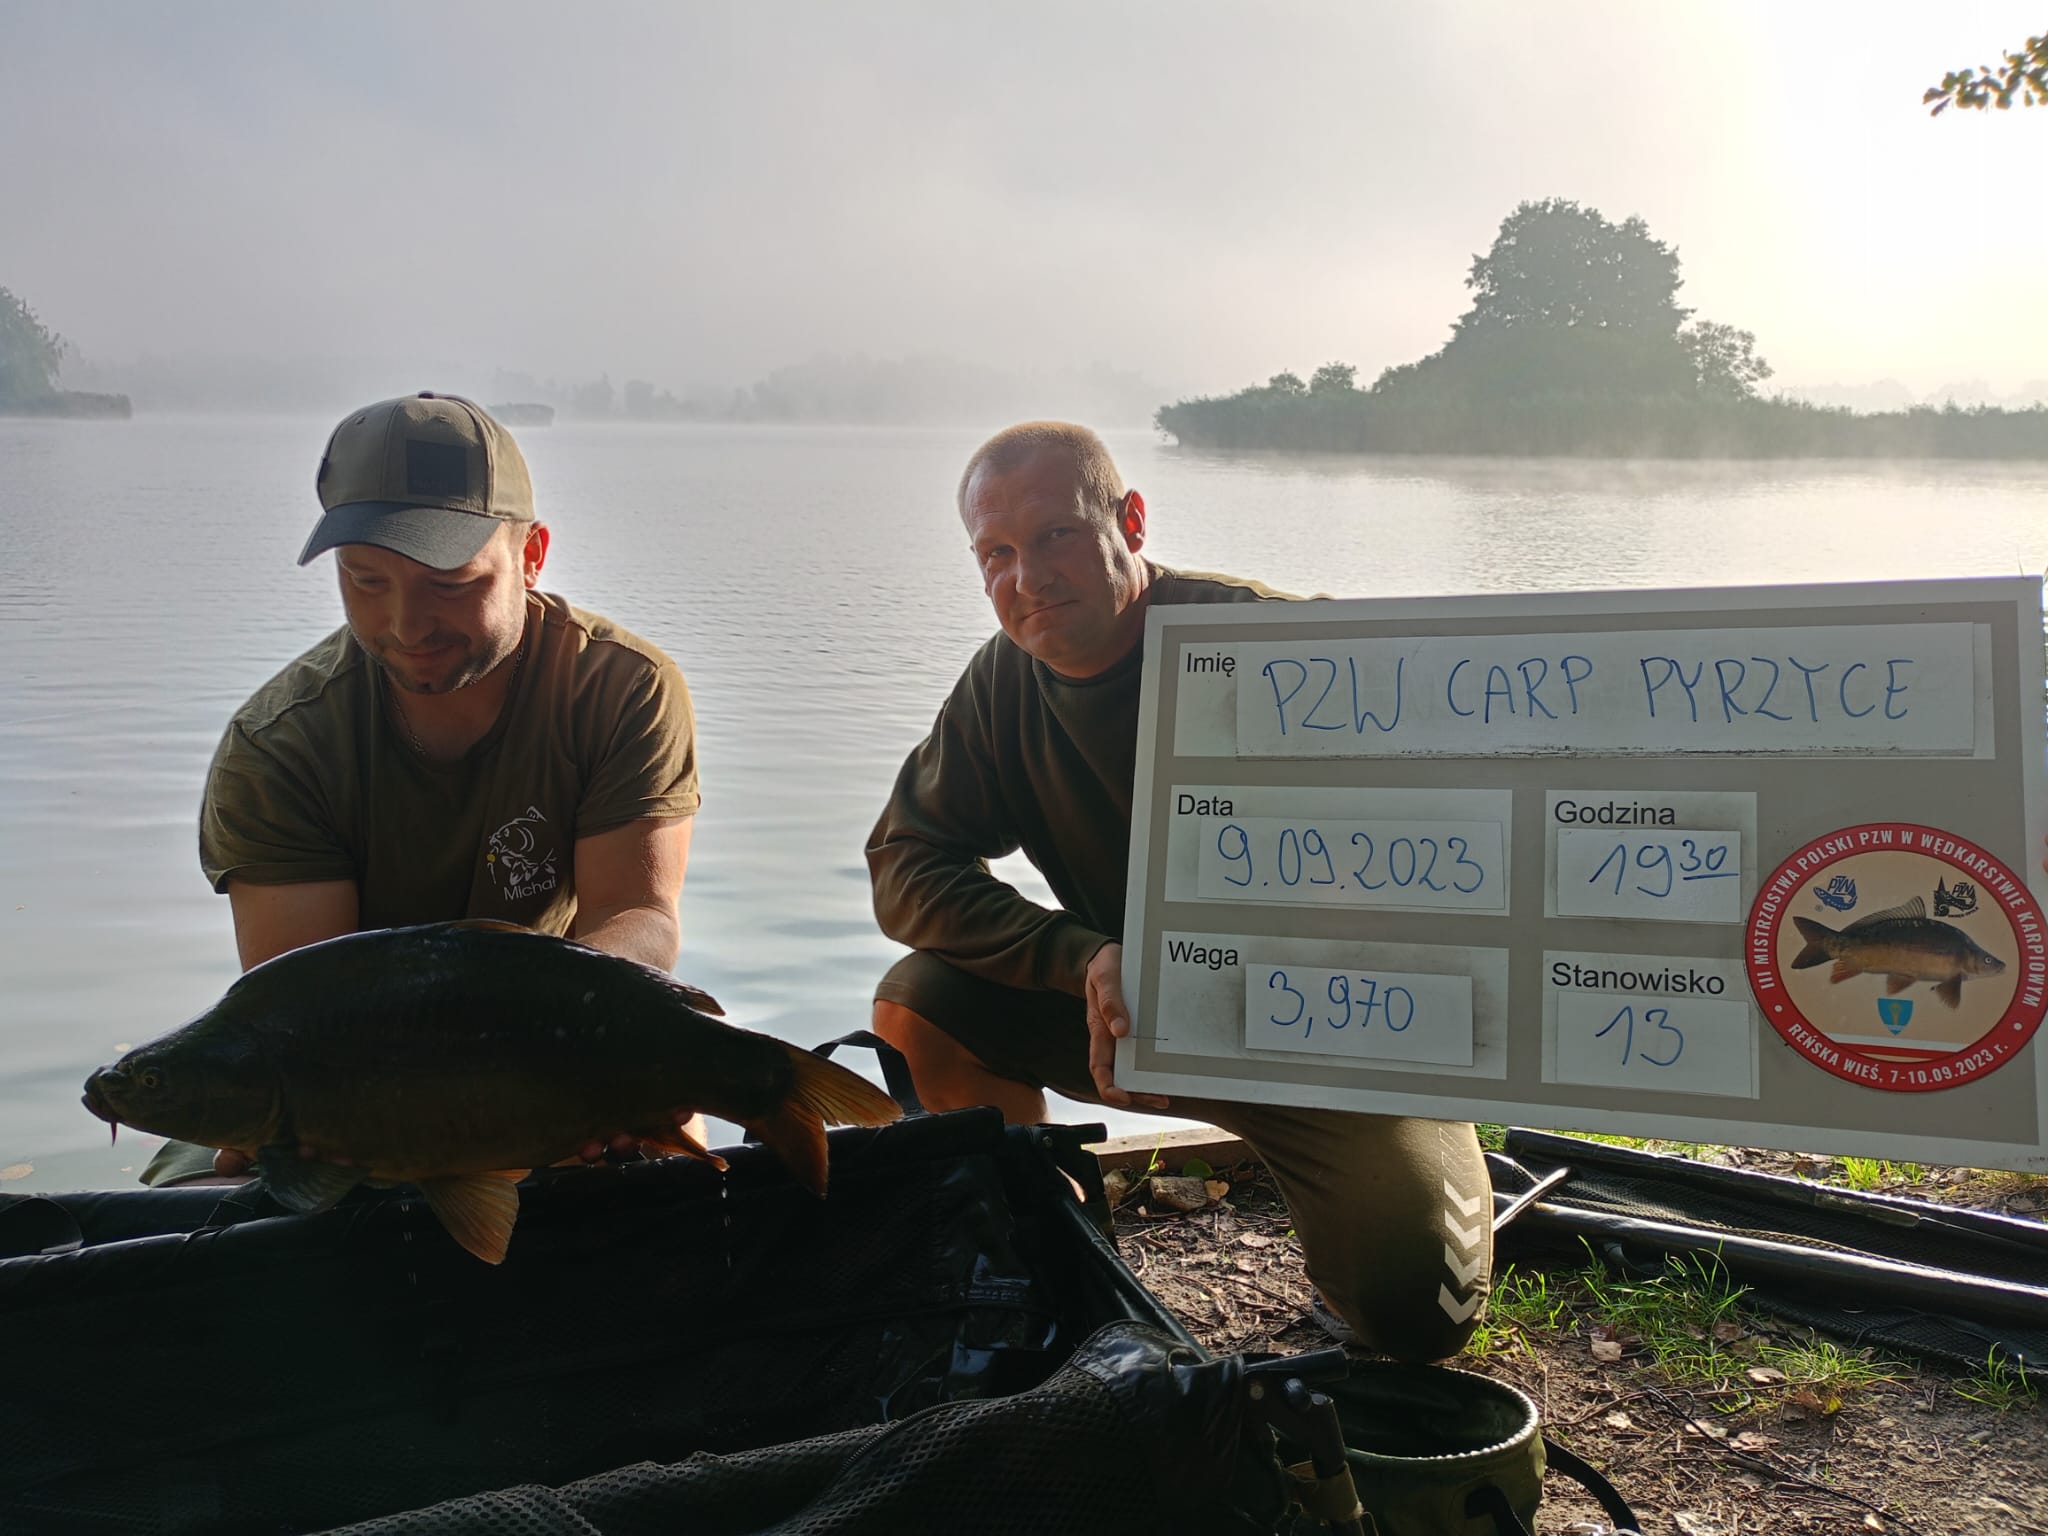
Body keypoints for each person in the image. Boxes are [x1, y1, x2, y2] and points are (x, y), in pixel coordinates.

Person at [865, 421, 1491, 1361]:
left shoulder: (1279, 644)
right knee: (922, 1004)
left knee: (1417, 1318)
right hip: (1138, 1019)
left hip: (1341, 1030)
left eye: (1057, 535)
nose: (1028, 578)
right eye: (996, 554)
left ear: (1131, 522)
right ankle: (1053, 1259)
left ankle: (1374, 1212)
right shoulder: (1004, 681)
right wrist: (1082, 956)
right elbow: (905, 864)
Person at [142, 392, 702, 1187]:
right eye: (366, 579)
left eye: (450, 583)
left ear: (532, 554)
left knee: (686, 1154)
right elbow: (304, 1013)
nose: (406, 626)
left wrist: (566, 1052)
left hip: (556, 1041)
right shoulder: (279, 747)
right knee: (221, 1203)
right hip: (355, 1080)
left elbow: (637, 915)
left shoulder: (619, 689)